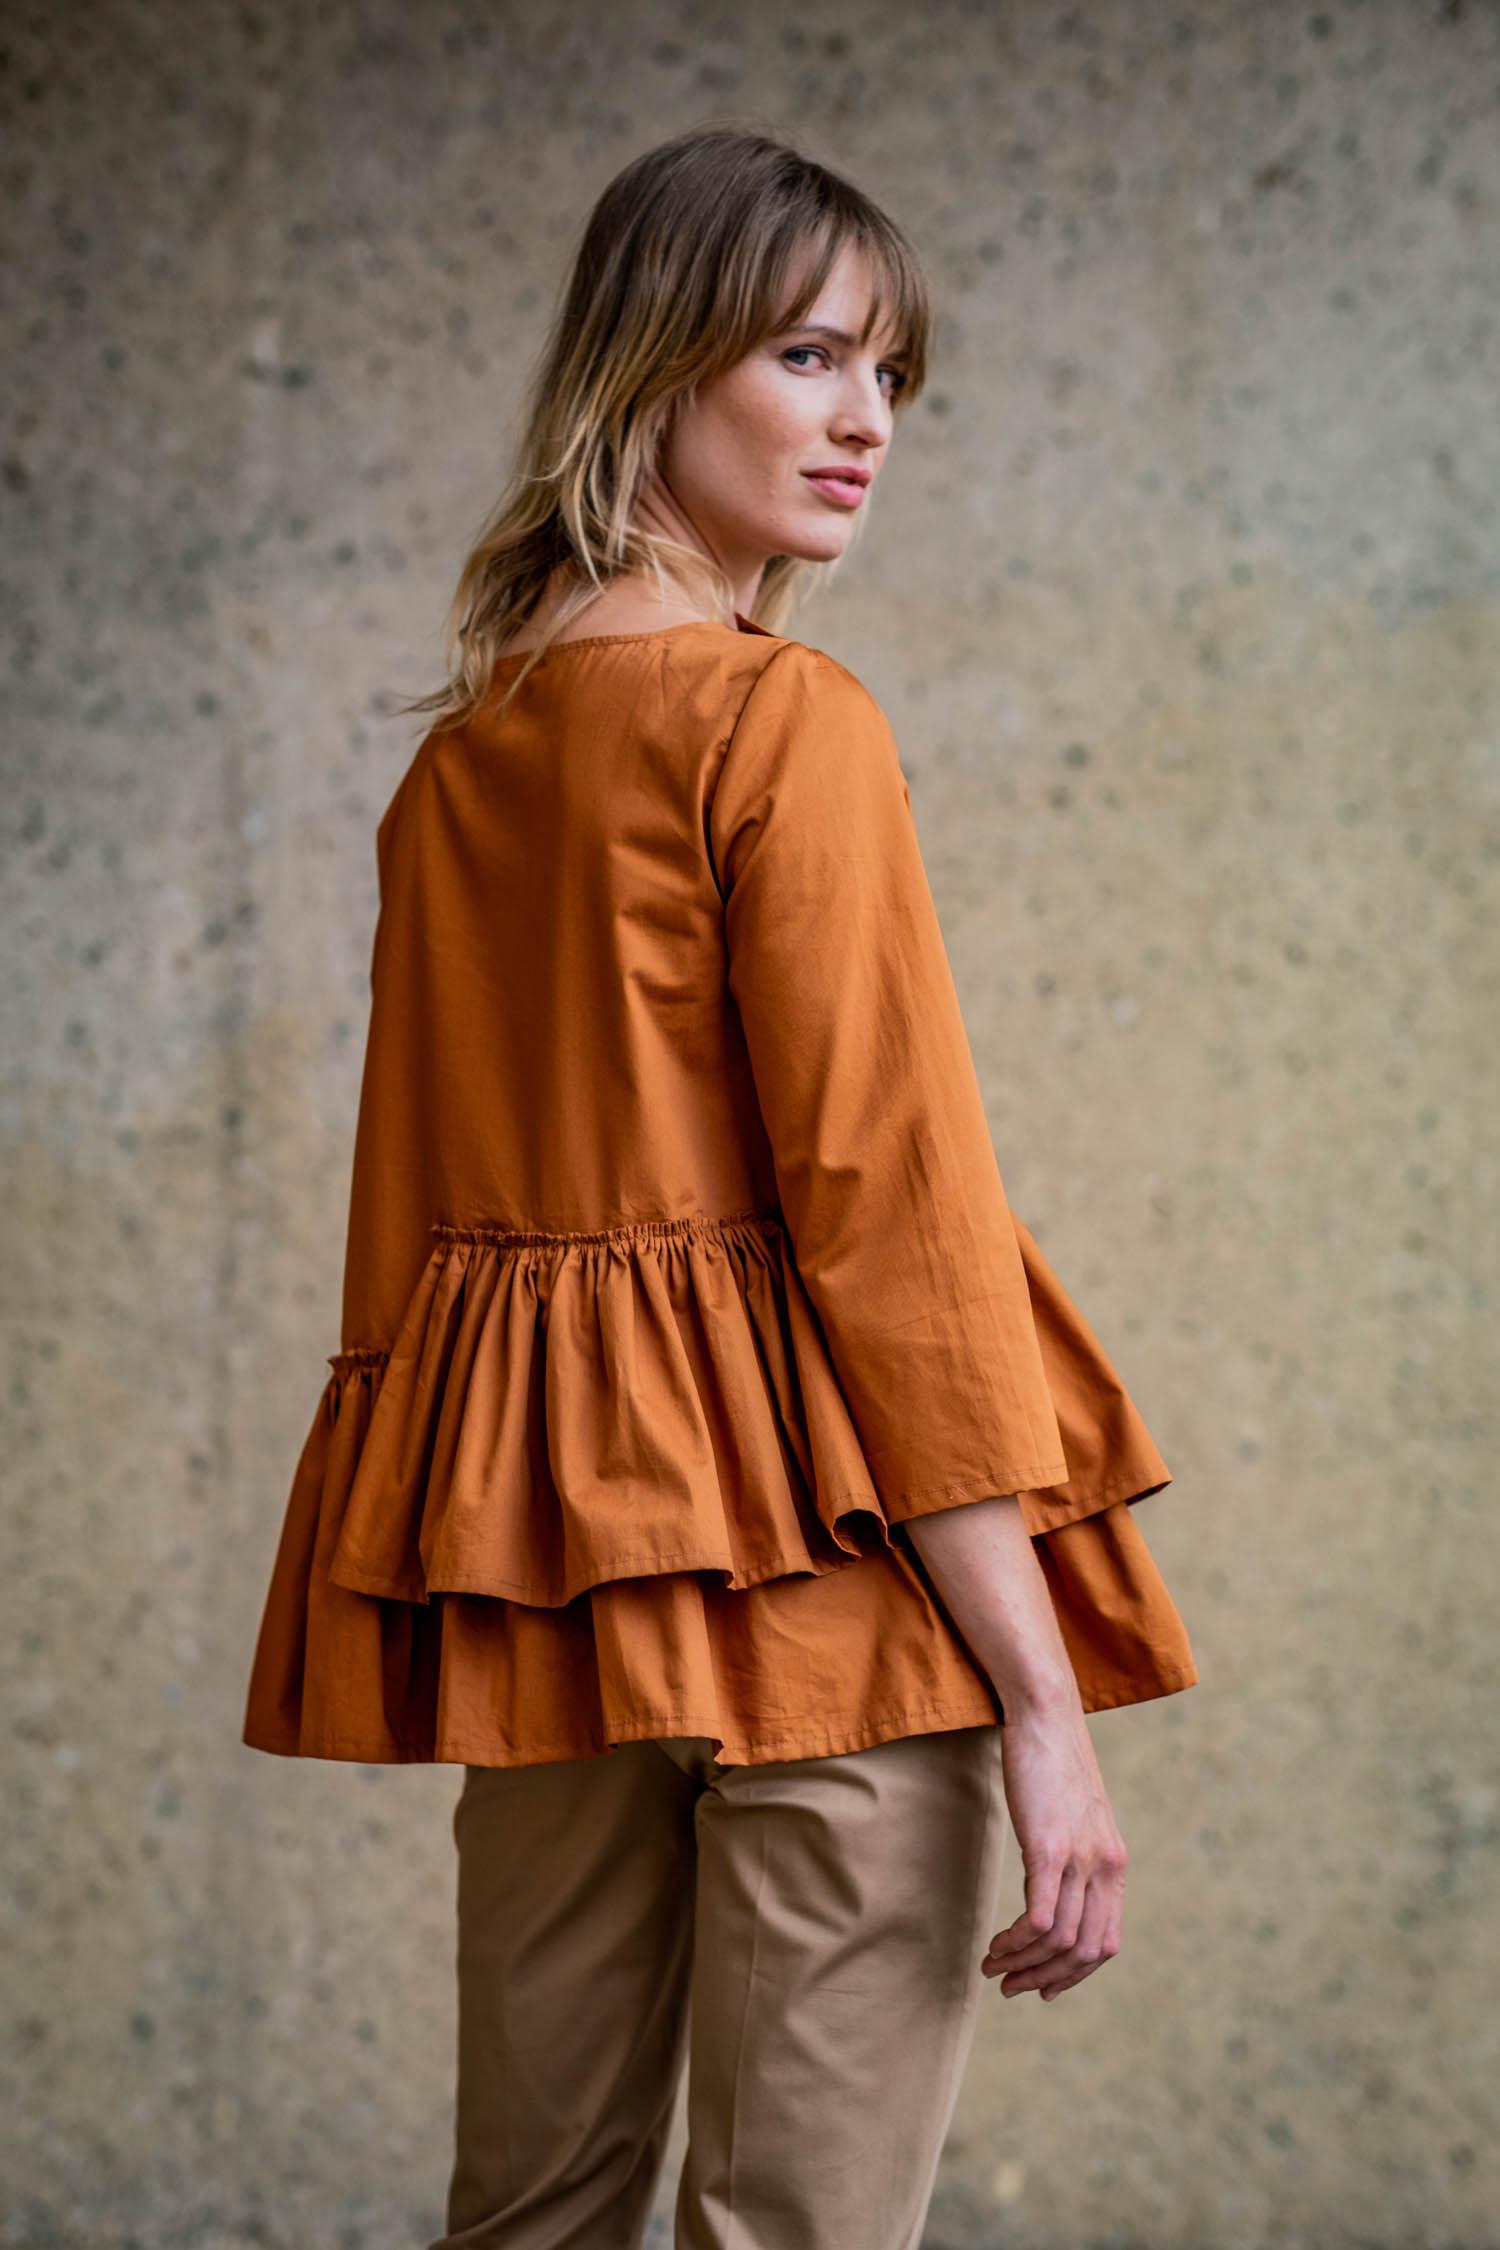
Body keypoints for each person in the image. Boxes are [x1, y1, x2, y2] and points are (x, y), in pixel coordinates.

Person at [241, 125, 1198, 2250]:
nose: (865, 423)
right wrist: (1046, 1709)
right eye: (809, 356)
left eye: (891, 377)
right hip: (834, 1600)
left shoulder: (460, 760)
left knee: (529, 2218)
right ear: (655, 360)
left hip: (559, 1601)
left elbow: (411, 1253)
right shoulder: (783, 725)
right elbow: (895, 1226)